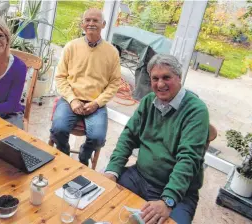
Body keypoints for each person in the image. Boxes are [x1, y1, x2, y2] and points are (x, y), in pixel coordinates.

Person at [104, 54, 209, 224]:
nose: (160, 84)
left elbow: (189, 160)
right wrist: (112, 170)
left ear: (179, 77)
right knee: (103, 203)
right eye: (155, 78)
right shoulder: (148, 102)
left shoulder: (196, 111)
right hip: (139, 177)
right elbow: (128, 137)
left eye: (166, 77)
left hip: (178, 193)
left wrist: (168, 200)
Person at [50, 8, 121, 166]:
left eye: (95, 20)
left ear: (103, 24)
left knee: (97, 138)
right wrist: (72, 100)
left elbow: (114, 83)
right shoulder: (71, 47)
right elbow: (60, 77)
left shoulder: (112, 52)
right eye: (87, 20)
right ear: (82, 24)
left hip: (96, 103)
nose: (91, 24)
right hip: (70, 100)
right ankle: (64, 153)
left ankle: (84, 156)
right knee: (58, 130)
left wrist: (97, 103)